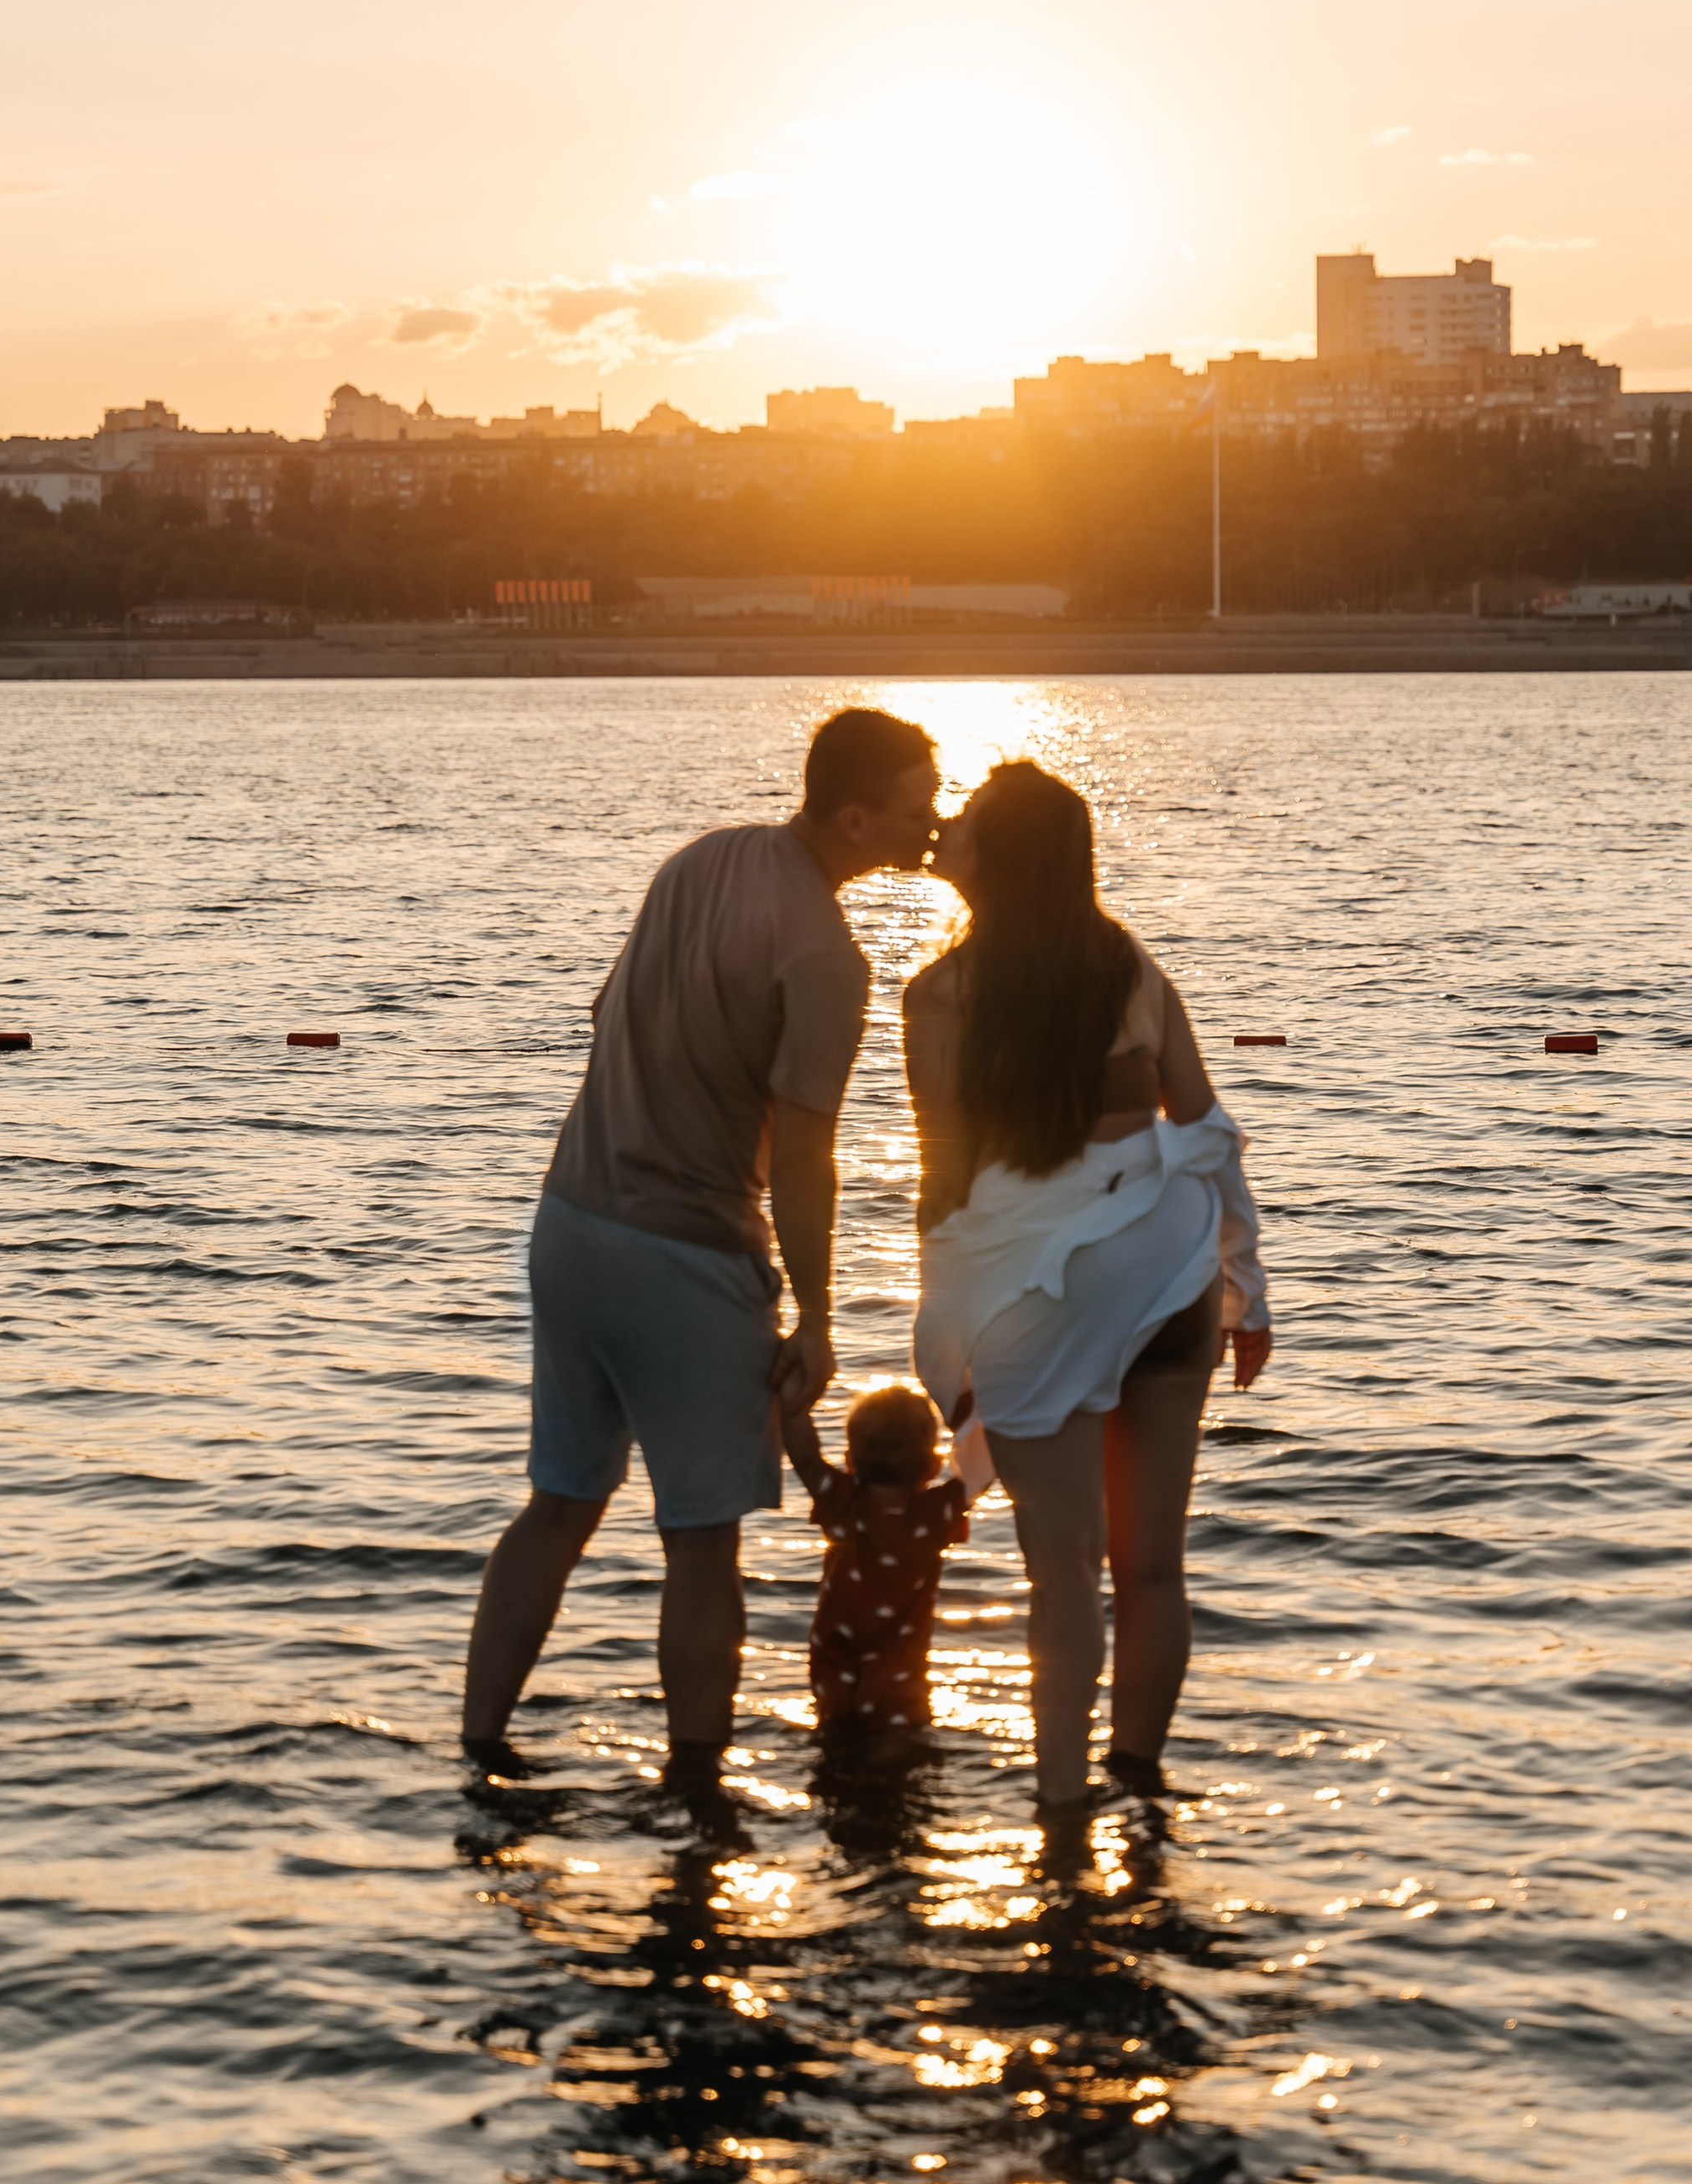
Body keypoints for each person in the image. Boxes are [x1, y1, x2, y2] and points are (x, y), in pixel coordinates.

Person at [460, 706, 940, 1781]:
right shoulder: (829, 957)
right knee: (701, 1542)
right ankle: (696, 1795)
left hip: (570, 1225)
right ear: (855, 816)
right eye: (917, 810)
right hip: (686, 1258)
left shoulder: (698, 859)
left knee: (558, 1506)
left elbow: (603, 1013)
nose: (934, 828)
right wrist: (815, 1321)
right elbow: (808, 1159)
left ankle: (477, 1744)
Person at [905, 760, 1272, 1812]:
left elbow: (947, 1180)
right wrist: (1246, 1282)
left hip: (1047, 1278)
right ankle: (1138, 1784)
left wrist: (950, 1343)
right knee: (1151, 1564)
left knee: (1063, 1568)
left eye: (965, 823)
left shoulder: (939, 993)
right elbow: (1202, 1131)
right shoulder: (1132, 966)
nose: (945, 834)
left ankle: (1063, 1811)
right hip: (1165, 1262)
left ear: (1000, 855)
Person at [780, 1381, 970, 1742]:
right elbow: (982, 1469)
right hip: (901, 1679)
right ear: (933, 1467)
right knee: (899, 1758)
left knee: (834, 1751)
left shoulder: (840, 1501)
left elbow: (803, 1455)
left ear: (850, 1461)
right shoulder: (936, 1513)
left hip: (834, 1669)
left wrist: (795, 1399)